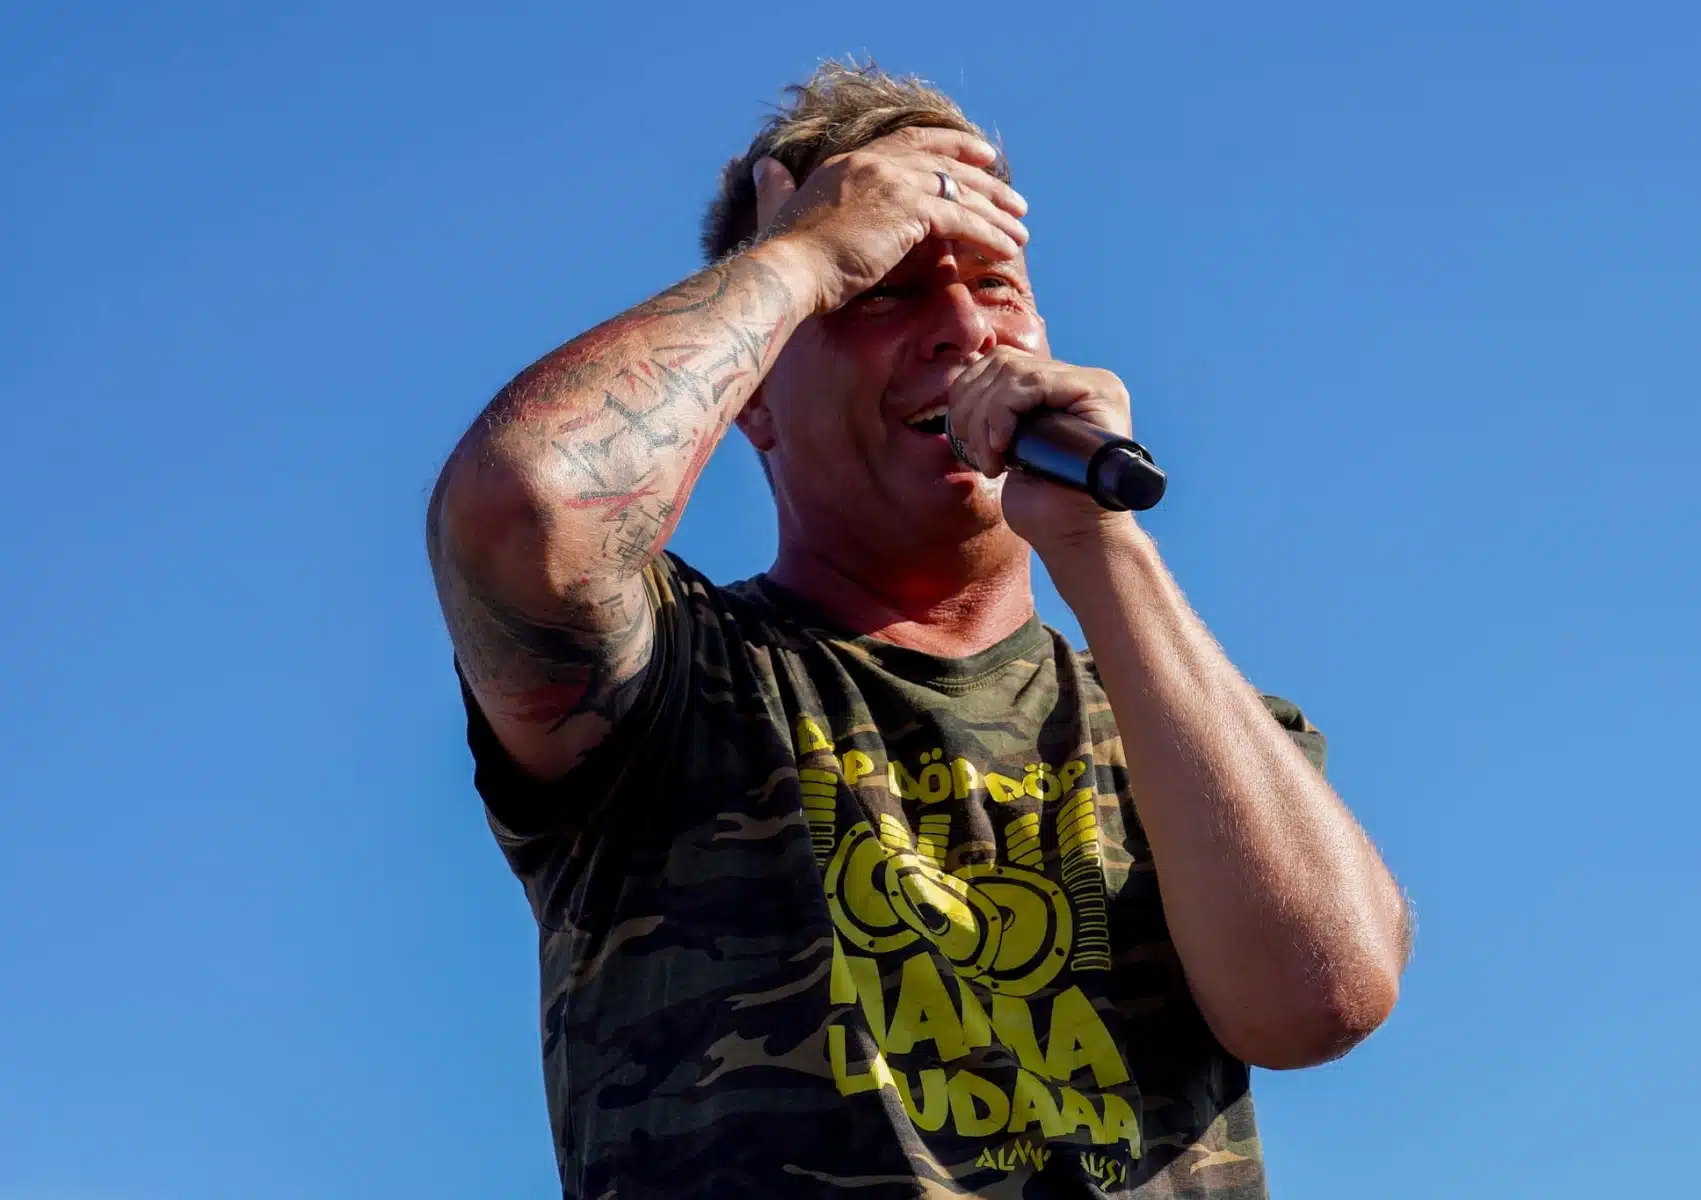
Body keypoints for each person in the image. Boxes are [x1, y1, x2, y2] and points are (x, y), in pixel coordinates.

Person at [427, 62, 1411, 1199]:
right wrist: (803, 255)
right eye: (882, 288)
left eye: (995, 285)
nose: (962, 329)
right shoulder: (676, 676)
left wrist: (1098, 541)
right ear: (750, 393)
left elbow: (1322, 999)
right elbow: (523, 514)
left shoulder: (1180, 716)